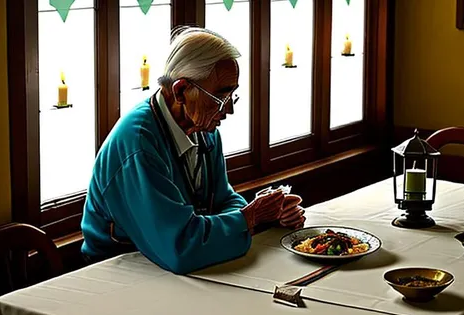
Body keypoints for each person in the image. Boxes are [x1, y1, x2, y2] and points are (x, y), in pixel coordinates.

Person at [80, 26, 306, 274]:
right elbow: (180, 247)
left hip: (171, 262)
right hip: (120, 271)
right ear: (180, 91)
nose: (228, 110)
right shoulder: (139, 144)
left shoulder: (202, 127)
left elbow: (224, 200)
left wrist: (264, 213)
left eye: (233, 96)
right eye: (221, 98)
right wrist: (249, 218)